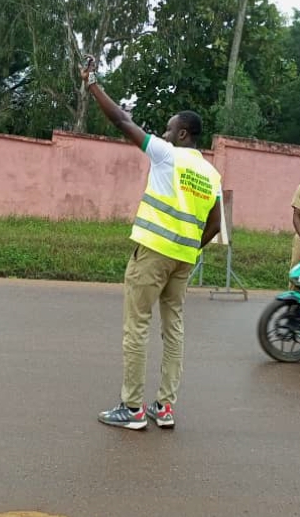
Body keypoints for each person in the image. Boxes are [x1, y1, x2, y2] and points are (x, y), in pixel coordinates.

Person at [81, 58, 222, 431]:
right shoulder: (212, 174)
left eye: (169, 128)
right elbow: (215, 224)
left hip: (153, 253)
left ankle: (132, 409)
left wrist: (92, 83)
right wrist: (192, 248)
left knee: (137, 326)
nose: (164, 132)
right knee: (173, 330)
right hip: (184, 260)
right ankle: (165, 407)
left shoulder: (166, 154)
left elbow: (120, 121)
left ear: (182, 133)